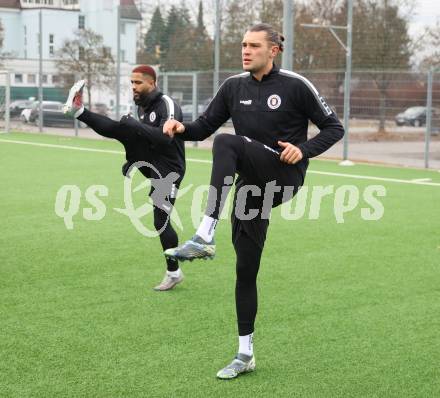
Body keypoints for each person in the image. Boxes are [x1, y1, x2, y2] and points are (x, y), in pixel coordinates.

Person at [162, 23, 344, 379]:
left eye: (254, 46)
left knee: (227, 142)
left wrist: (303, 149)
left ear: (273, 51)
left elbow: (334, 127)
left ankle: (205, 233)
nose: (245, 51)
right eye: (243, 45)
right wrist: (181, 129)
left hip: (284, 177)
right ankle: (245, 354)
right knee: (245, 270)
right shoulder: (233, 87)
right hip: (251, 190)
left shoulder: (295, 85)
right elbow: (202, 126)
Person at [63, 65, 186, 292]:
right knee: (125, 128)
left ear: (152, 83)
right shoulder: (142, 106)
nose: (133, 87)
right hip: (151, 162)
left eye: (138, 83)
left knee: (161, 221)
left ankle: (174, 272)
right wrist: (134, 159)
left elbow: (164, 139)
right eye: (131, 83)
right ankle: (79, 111)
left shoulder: (167, 105)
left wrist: (135, 127)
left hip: (169, 170)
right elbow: (143, 140)